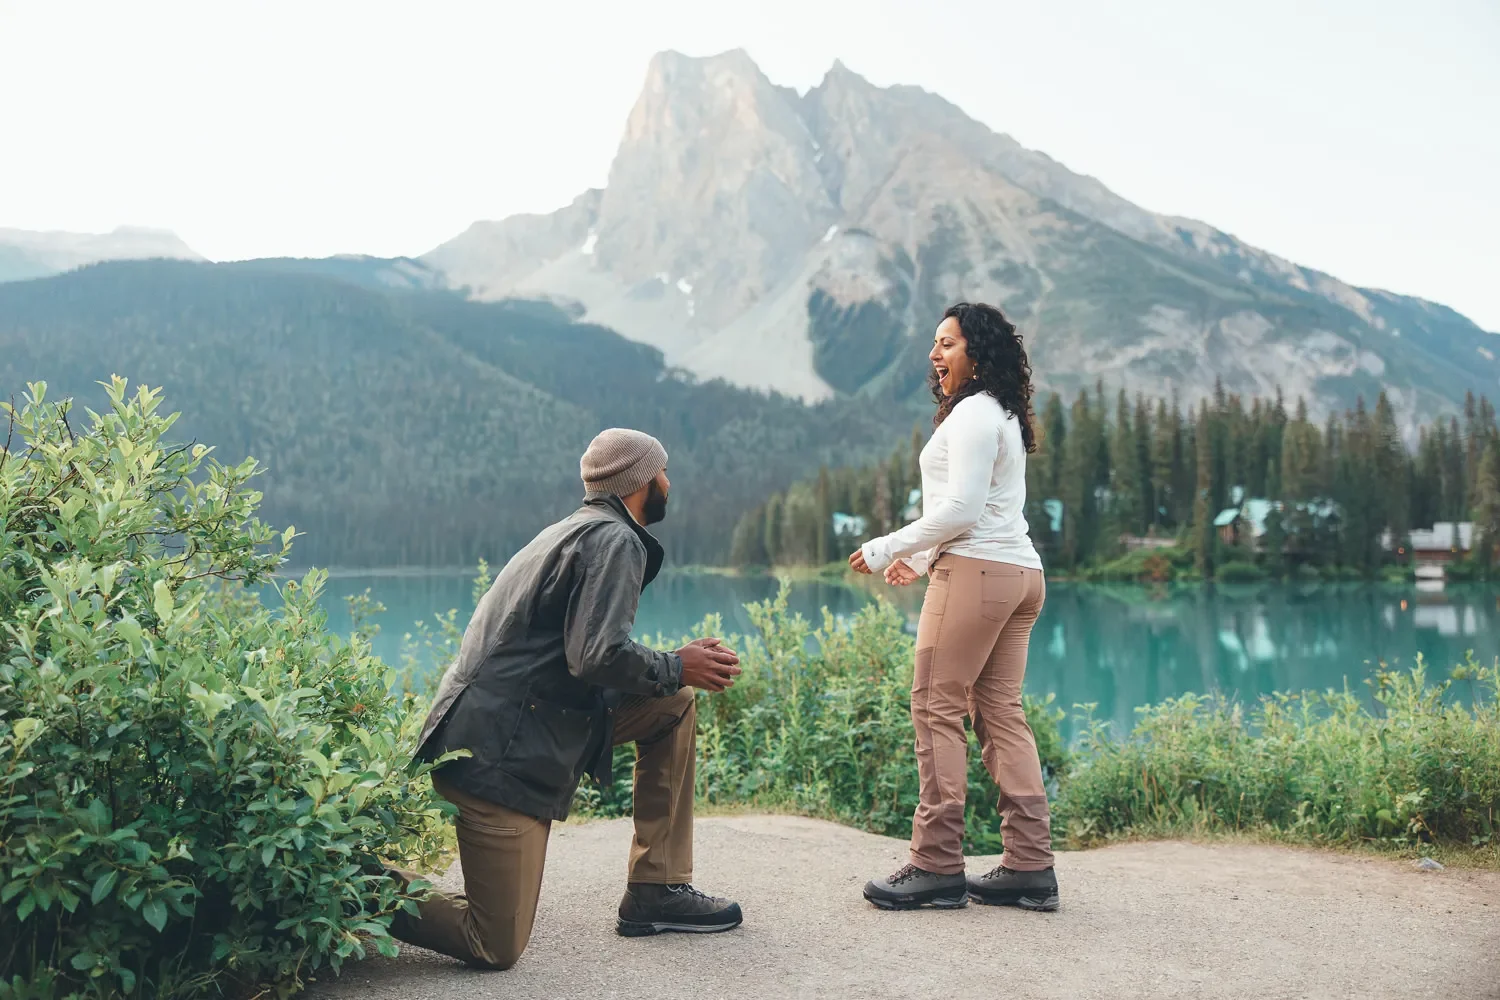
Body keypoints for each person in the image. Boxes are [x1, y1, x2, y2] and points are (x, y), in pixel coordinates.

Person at [391, 428, 746, 970]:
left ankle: (657, 888)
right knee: (495, 943)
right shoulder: (615, 540)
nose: (669, 485)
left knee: (673, 705)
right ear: (640, 483)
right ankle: (348, 882)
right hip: (496, 757)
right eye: (663, 473)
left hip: (509, 729)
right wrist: (676, 665)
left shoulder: (578, 530)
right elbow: (596, 657)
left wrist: (674, 673)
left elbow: (580, 653)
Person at [850, 302, 1059, 913]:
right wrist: (918, 561)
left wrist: (889, 544)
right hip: (1020, 573)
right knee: (1000, 713)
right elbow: (983, 508)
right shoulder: (1001, 413)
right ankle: (1029, 866)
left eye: (948, 343)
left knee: (935, 706)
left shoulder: (971, 414)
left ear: (978, 350)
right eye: (934, 344)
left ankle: (936, 864)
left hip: (976, 573)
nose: (935, 355)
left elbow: (964, 510)